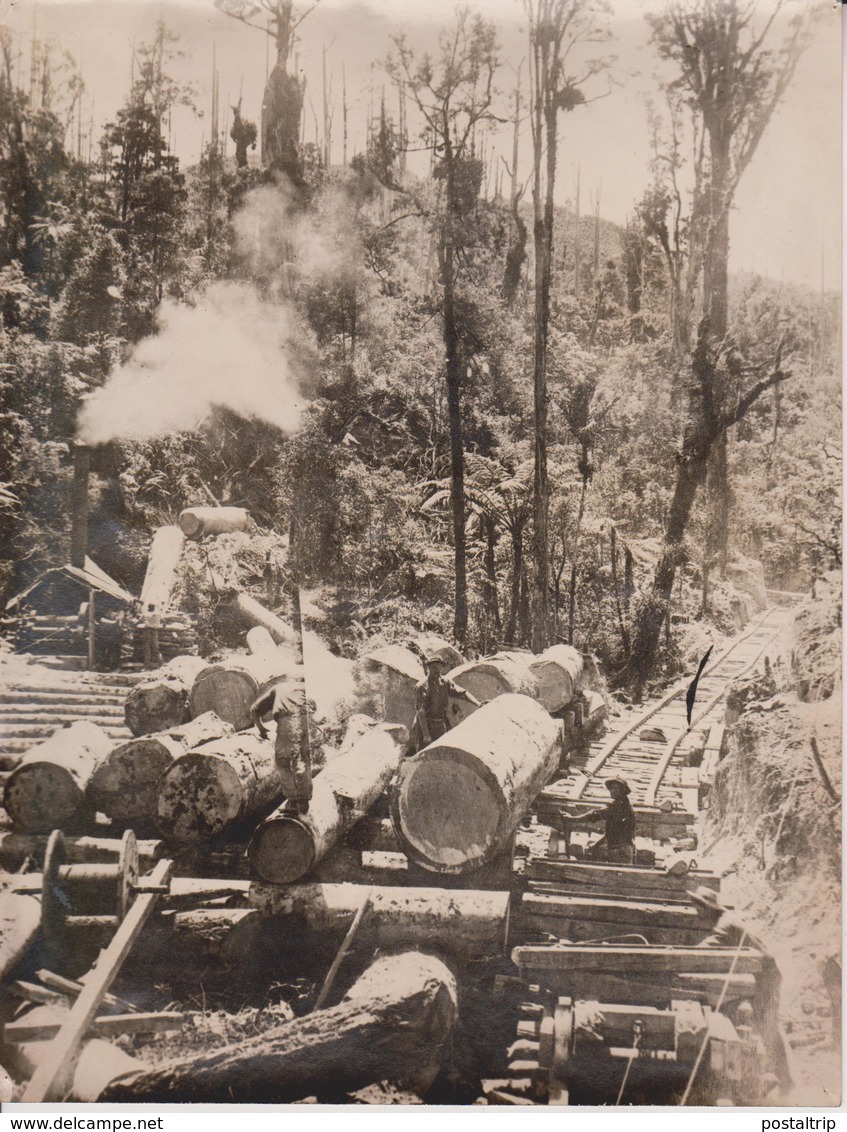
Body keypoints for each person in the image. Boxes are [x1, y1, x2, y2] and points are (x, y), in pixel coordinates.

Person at [690, 886, 792, 1092]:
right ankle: (771, 1076)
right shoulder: (726, 919)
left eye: (699, 907)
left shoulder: (724, 924)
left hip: (766, 976)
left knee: (767, 1026)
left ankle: (782, 1081)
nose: (697, 912)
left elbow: (707, 949)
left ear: (709, 908)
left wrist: (684, 955)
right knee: (760, 1024)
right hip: (763, 974)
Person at [251, 680, 311, 812]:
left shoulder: (277, 688)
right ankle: (304, 800)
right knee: (302, 759)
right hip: (305, 719)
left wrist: (261, 729)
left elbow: (254, 709)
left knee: (283, 762)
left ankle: (293, 802)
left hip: (288, 720)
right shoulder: (303, 687)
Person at [407, 655, 482, 755]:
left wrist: (478, 703)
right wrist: (426, 734)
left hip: (439, 723)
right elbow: (420, 711)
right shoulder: (421, 686)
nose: (437, 670)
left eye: (439, 667)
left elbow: (462, 693)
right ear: (428, 668)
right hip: (424, 724)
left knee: (440, 754)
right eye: (434, 667)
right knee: (423, 754)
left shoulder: (445, 682)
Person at [578, 777, 636, 863]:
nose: (612, 790)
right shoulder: (624, 804)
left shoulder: (618, 806)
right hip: (623, 850)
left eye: (616, 788)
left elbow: (595, 815)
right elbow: (612, 832)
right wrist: (596, 844)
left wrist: (572, 819)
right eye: (611, 788)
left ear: (622, 791)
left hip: (620, 851)